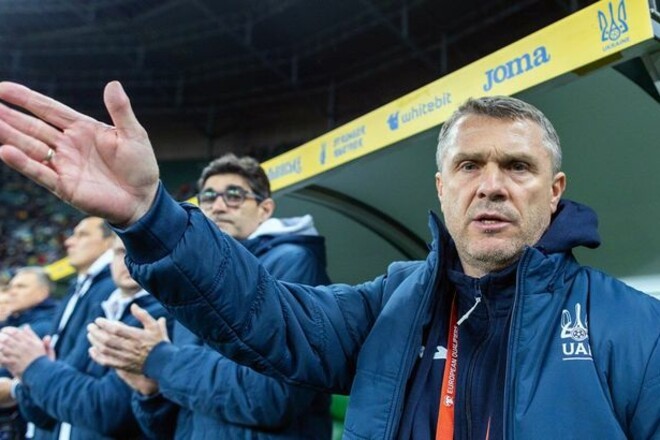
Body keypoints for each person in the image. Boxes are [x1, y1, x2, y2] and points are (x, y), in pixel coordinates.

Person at [0, 82, 658, 439]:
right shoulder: (393, 302)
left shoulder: (635, 328)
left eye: (516, 166)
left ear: (554, 190)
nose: (490, 185)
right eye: (468, 165)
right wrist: (151, 215)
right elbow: (267, 314)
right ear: (441, 188)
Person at [87, 153, 333, 439]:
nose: (218, 206)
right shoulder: (192, 276)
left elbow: (271, 398)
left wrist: (163, 361)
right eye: (208, 197)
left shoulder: (291, 263)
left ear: (265, 209)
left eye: (234, 196)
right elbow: (175, 425)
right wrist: (152, 393)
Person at [0, 235, 170, 440]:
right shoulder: (101, 310)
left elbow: (109, 412)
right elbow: (46, 412)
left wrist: (34, 368)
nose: (129, 258)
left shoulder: (159, 317)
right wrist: (33, 379)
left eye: (141, 247)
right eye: (120, 252)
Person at [0, 268, 58, 439]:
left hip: (29, 423)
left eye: (21, 286)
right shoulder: (16, 323)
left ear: (43, 292)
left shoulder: (41, 326)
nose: (12, 292)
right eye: (11, 287)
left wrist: (12, 388)